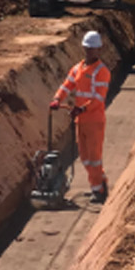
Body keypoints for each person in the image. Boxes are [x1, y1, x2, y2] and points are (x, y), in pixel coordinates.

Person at [50, 30, 112, 203]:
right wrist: (57, 99)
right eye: (87, 48)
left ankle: (99, 190)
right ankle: (98, 185)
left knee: (94, 157)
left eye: (93, 49)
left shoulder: (102, 71)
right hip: (81, 120)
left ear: (99, 49)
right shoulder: (78, 68)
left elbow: (98, 98)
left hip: (94, 121)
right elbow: (67, 85)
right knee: (85, 157)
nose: (90, 51)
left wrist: (82, 109)